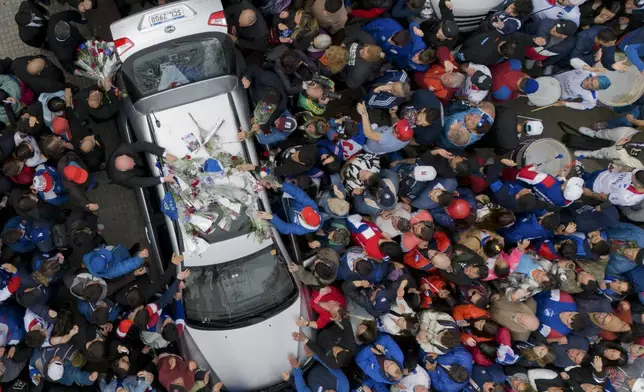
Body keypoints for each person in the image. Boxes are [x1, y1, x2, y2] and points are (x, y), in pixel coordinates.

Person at [106, 142, 177, 188]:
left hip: (122, 161)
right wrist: (165, 179)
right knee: (142, 173)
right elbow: (143, 182)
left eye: (132, 161)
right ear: (124, 171)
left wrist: (165, 154)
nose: (134, 163)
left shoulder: (125, 149)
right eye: (132, 165)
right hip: (122, 176)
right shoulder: (124, 179)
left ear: (124, 155)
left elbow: (143, 145)